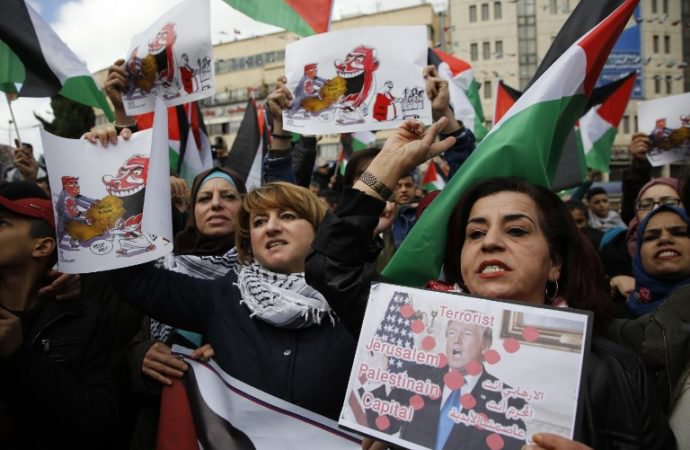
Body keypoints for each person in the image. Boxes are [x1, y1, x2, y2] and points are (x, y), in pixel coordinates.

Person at [305, 118, 676, 449]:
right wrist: (387, 164)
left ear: (555, 263)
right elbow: (331, 266)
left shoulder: (614, 371)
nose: (490, 242)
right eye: (475, 232)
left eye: (516, 230)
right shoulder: (414, 335)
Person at [108, 182, 356, 420]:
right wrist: (122, 160)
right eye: (259, 222)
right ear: (250, 242)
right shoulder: (222, 297)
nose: (271, 228)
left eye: (288, 216)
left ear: (319, 230)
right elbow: (132, 279)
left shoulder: (356, 297)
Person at [0, 181, 117, 449]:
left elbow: (98, 421)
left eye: (2, 223)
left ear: (42, 247)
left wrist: (21, 359)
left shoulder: (82, 318)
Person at [394, 320, 526, 450]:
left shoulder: (508, 401)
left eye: (467, 334)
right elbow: (385, 423)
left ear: (485, 346)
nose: (456, 340)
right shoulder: (418, 375)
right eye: (451, 333)